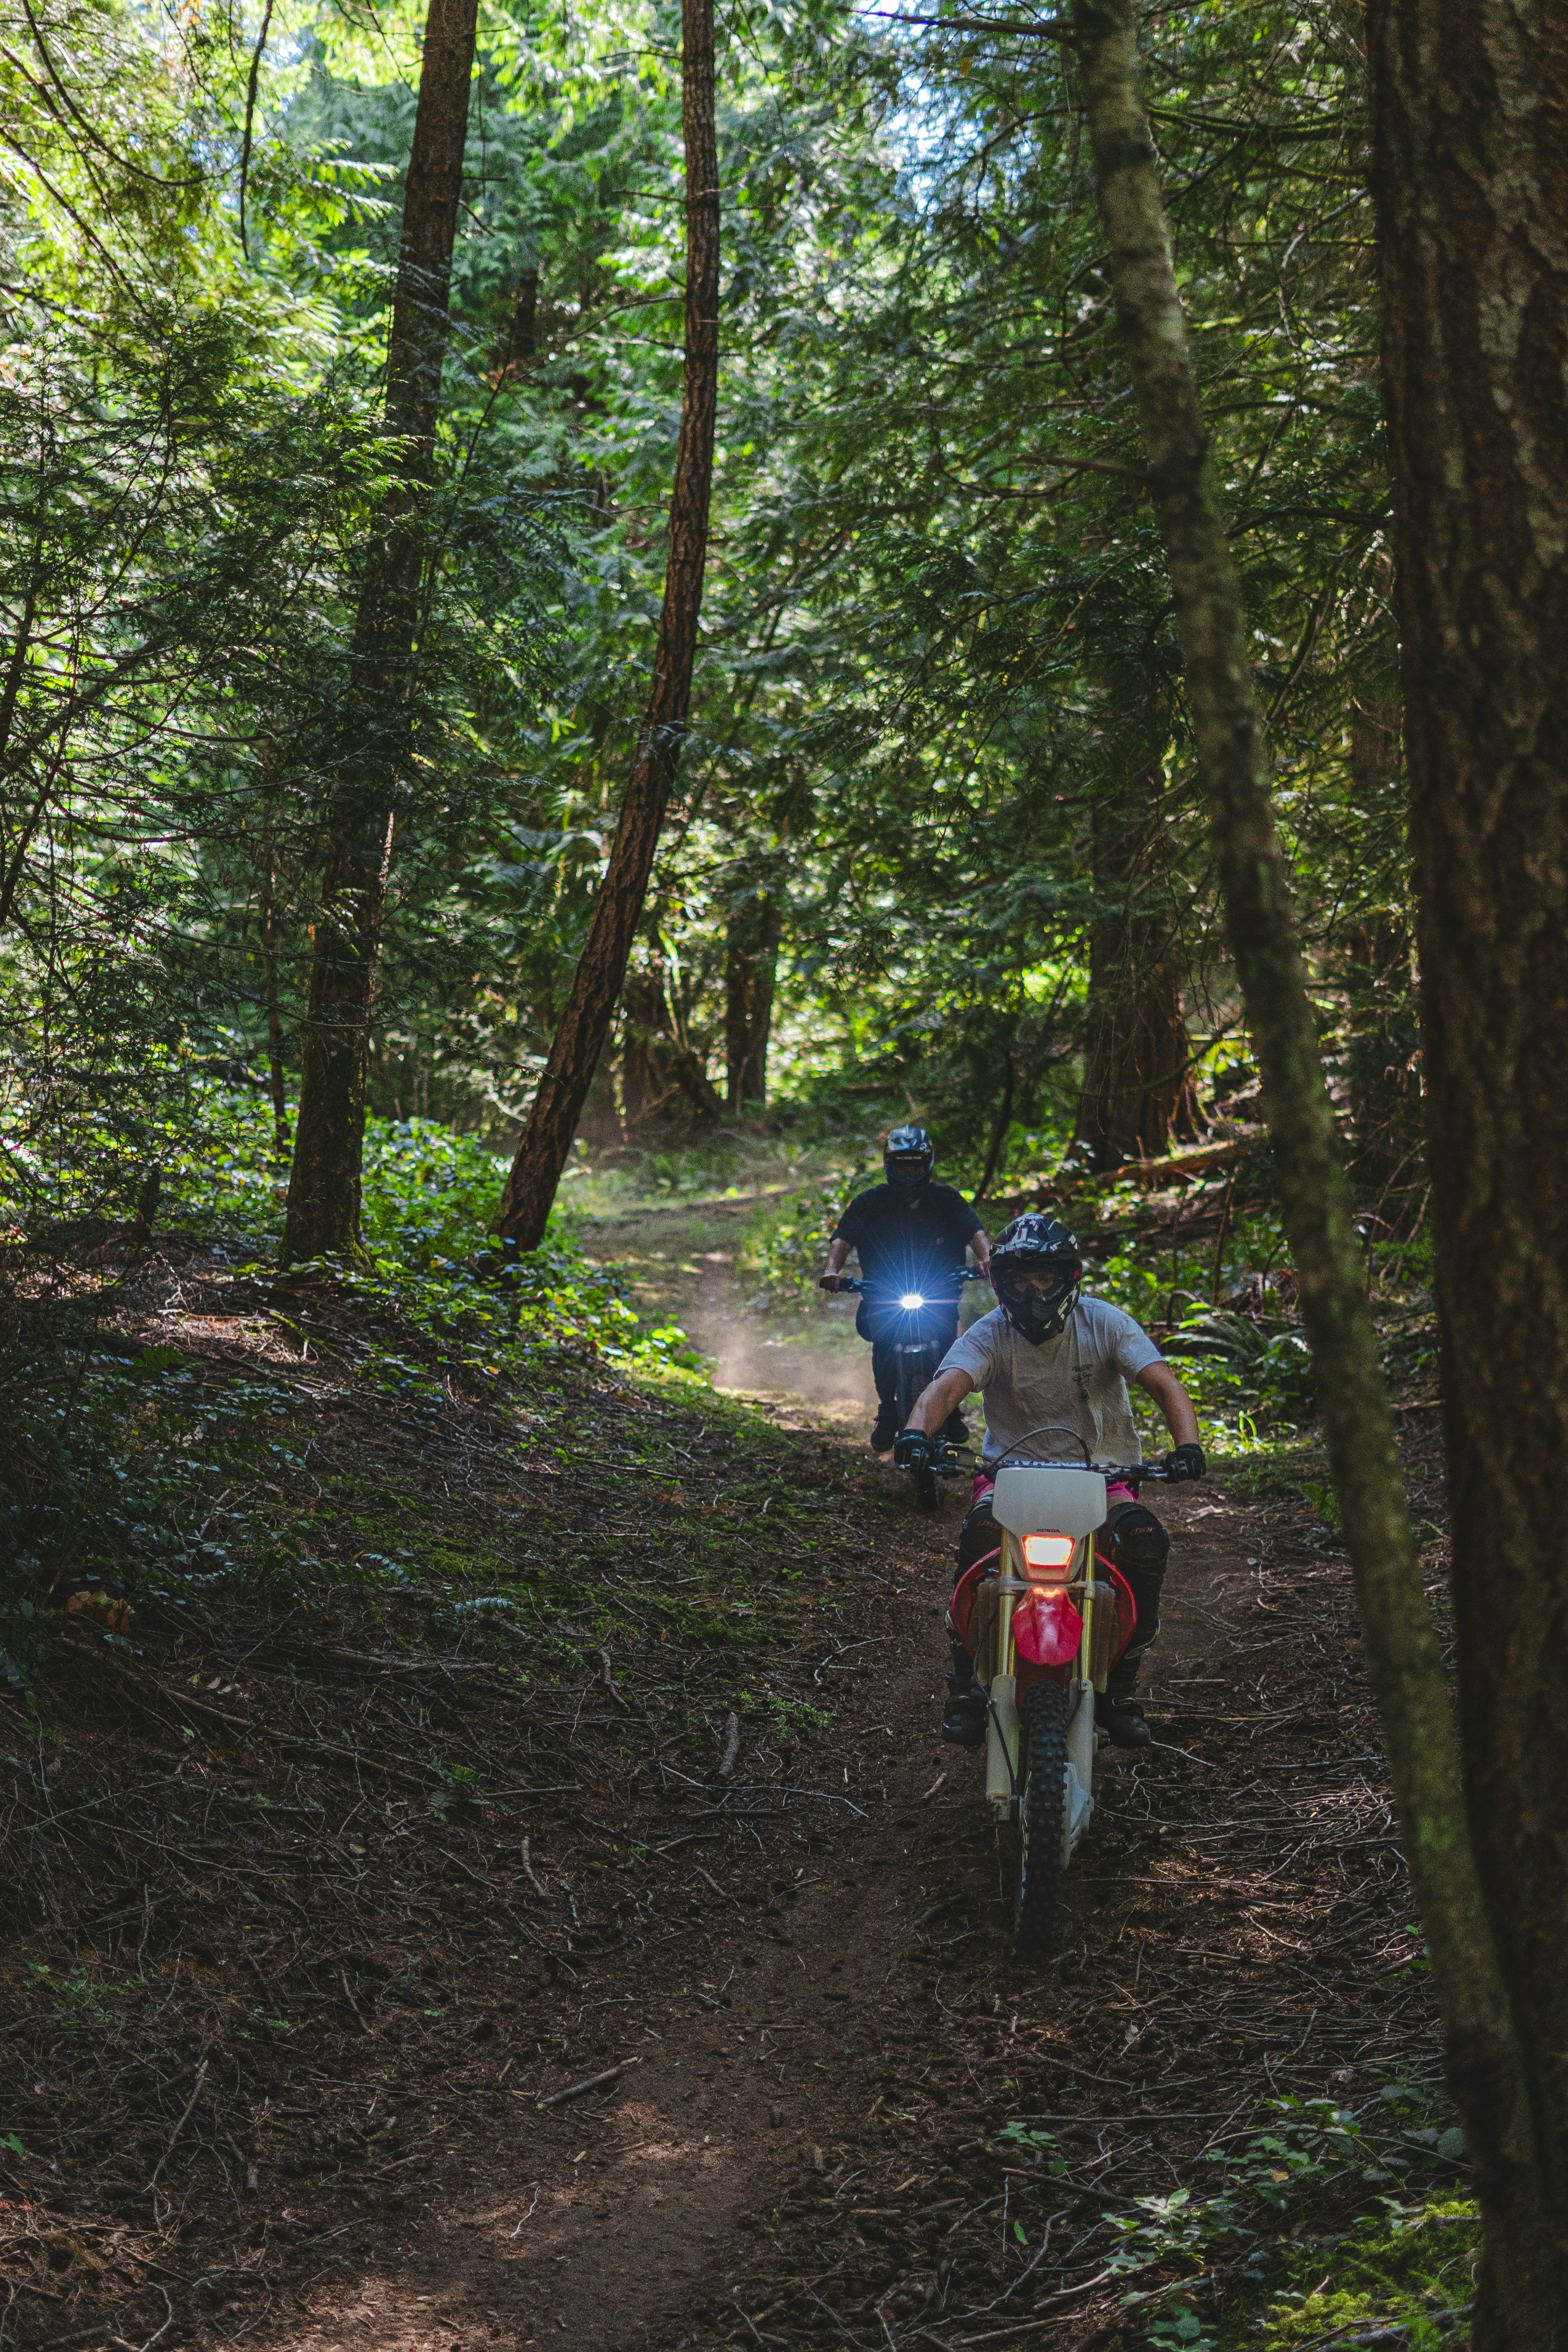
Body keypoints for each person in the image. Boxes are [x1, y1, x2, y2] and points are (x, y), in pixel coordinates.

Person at [892, 1211, 1204, 1750]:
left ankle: (1120, 1689)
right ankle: (965, 1683)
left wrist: (1187, 1446)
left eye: (1044, 1278)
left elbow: (1163, 1383)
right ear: (1001, 1283)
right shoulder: (990, 1333)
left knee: (1145, 1544)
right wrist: (916, 1432)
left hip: (1104, 1475)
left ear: (1068, 1276)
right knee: (978, 1541)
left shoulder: (1106, 1323)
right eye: (1020, 1280)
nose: (1033, 1291)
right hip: (1008, 1475)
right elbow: (946, 1388)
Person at [820, 1126, 992, 1454]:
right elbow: (843, 1237)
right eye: (901, 1166)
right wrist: (832, 1270)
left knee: (946, 1345)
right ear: (888, 1166)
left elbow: (975, 1230)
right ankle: (887, 1410)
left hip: (938, 1294)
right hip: (884, 1297)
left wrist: (986, 1259)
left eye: (915, 1166)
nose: (909, 1175)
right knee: (883, 1344)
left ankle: (950, 1408)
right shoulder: (869, 1202)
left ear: (928, 1164)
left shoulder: (946, 1200)